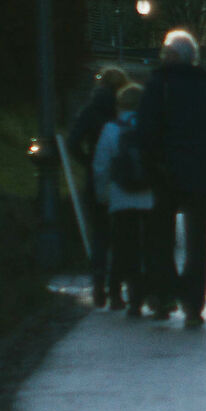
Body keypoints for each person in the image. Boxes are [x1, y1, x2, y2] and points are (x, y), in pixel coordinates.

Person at [134, 30, 206, 328]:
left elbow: (145, 131)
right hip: (201, 174)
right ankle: (193, 303)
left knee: (160, 237)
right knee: (197, 240)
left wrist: (152, 166)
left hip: (165, 173)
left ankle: (163, 295)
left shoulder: (158, 84)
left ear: (171, 55)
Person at [67, 67, 130, 308]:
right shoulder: (123, 110)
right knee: (122, 236)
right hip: (124, 179)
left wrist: (88, 162)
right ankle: (117, 291)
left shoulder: (90, 110)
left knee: (100, 235)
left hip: (97, 179)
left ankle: (98, 287)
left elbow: (73, 143)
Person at [87, 83, 152, 319]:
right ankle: (140, 298)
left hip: (120, 198)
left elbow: (101, 166)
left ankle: (115, 295)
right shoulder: (149, 127)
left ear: (120, 105)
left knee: (123, 247)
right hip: (148, 198)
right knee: (146, 249)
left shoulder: (111, 129)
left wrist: (102, 195)